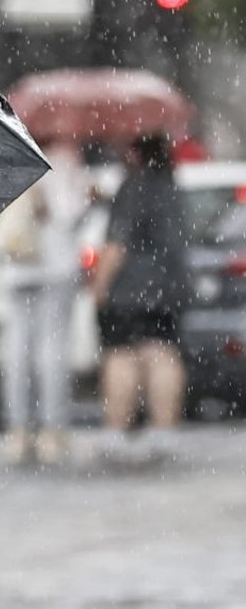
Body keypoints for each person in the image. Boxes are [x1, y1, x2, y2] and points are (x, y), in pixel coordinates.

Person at [89, 134, 191, 461]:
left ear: (135, 153)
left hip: (128, 290)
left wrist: (99, 286)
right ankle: (164, 432)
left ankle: (117, 431)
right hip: (169, 288)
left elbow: (118, 244)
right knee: (162, 354)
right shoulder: (171, 186)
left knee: (122, 356)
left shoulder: (132, 187)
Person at [0, 139, 91, 464]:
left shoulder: (12, 151)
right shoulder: (64, 160)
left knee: (16, 348)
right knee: (52, 349)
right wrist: (87, 195)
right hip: (55, 266)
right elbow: (68, 213)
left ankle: (18, 430)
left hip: (18, 265)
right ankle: (52, 431)